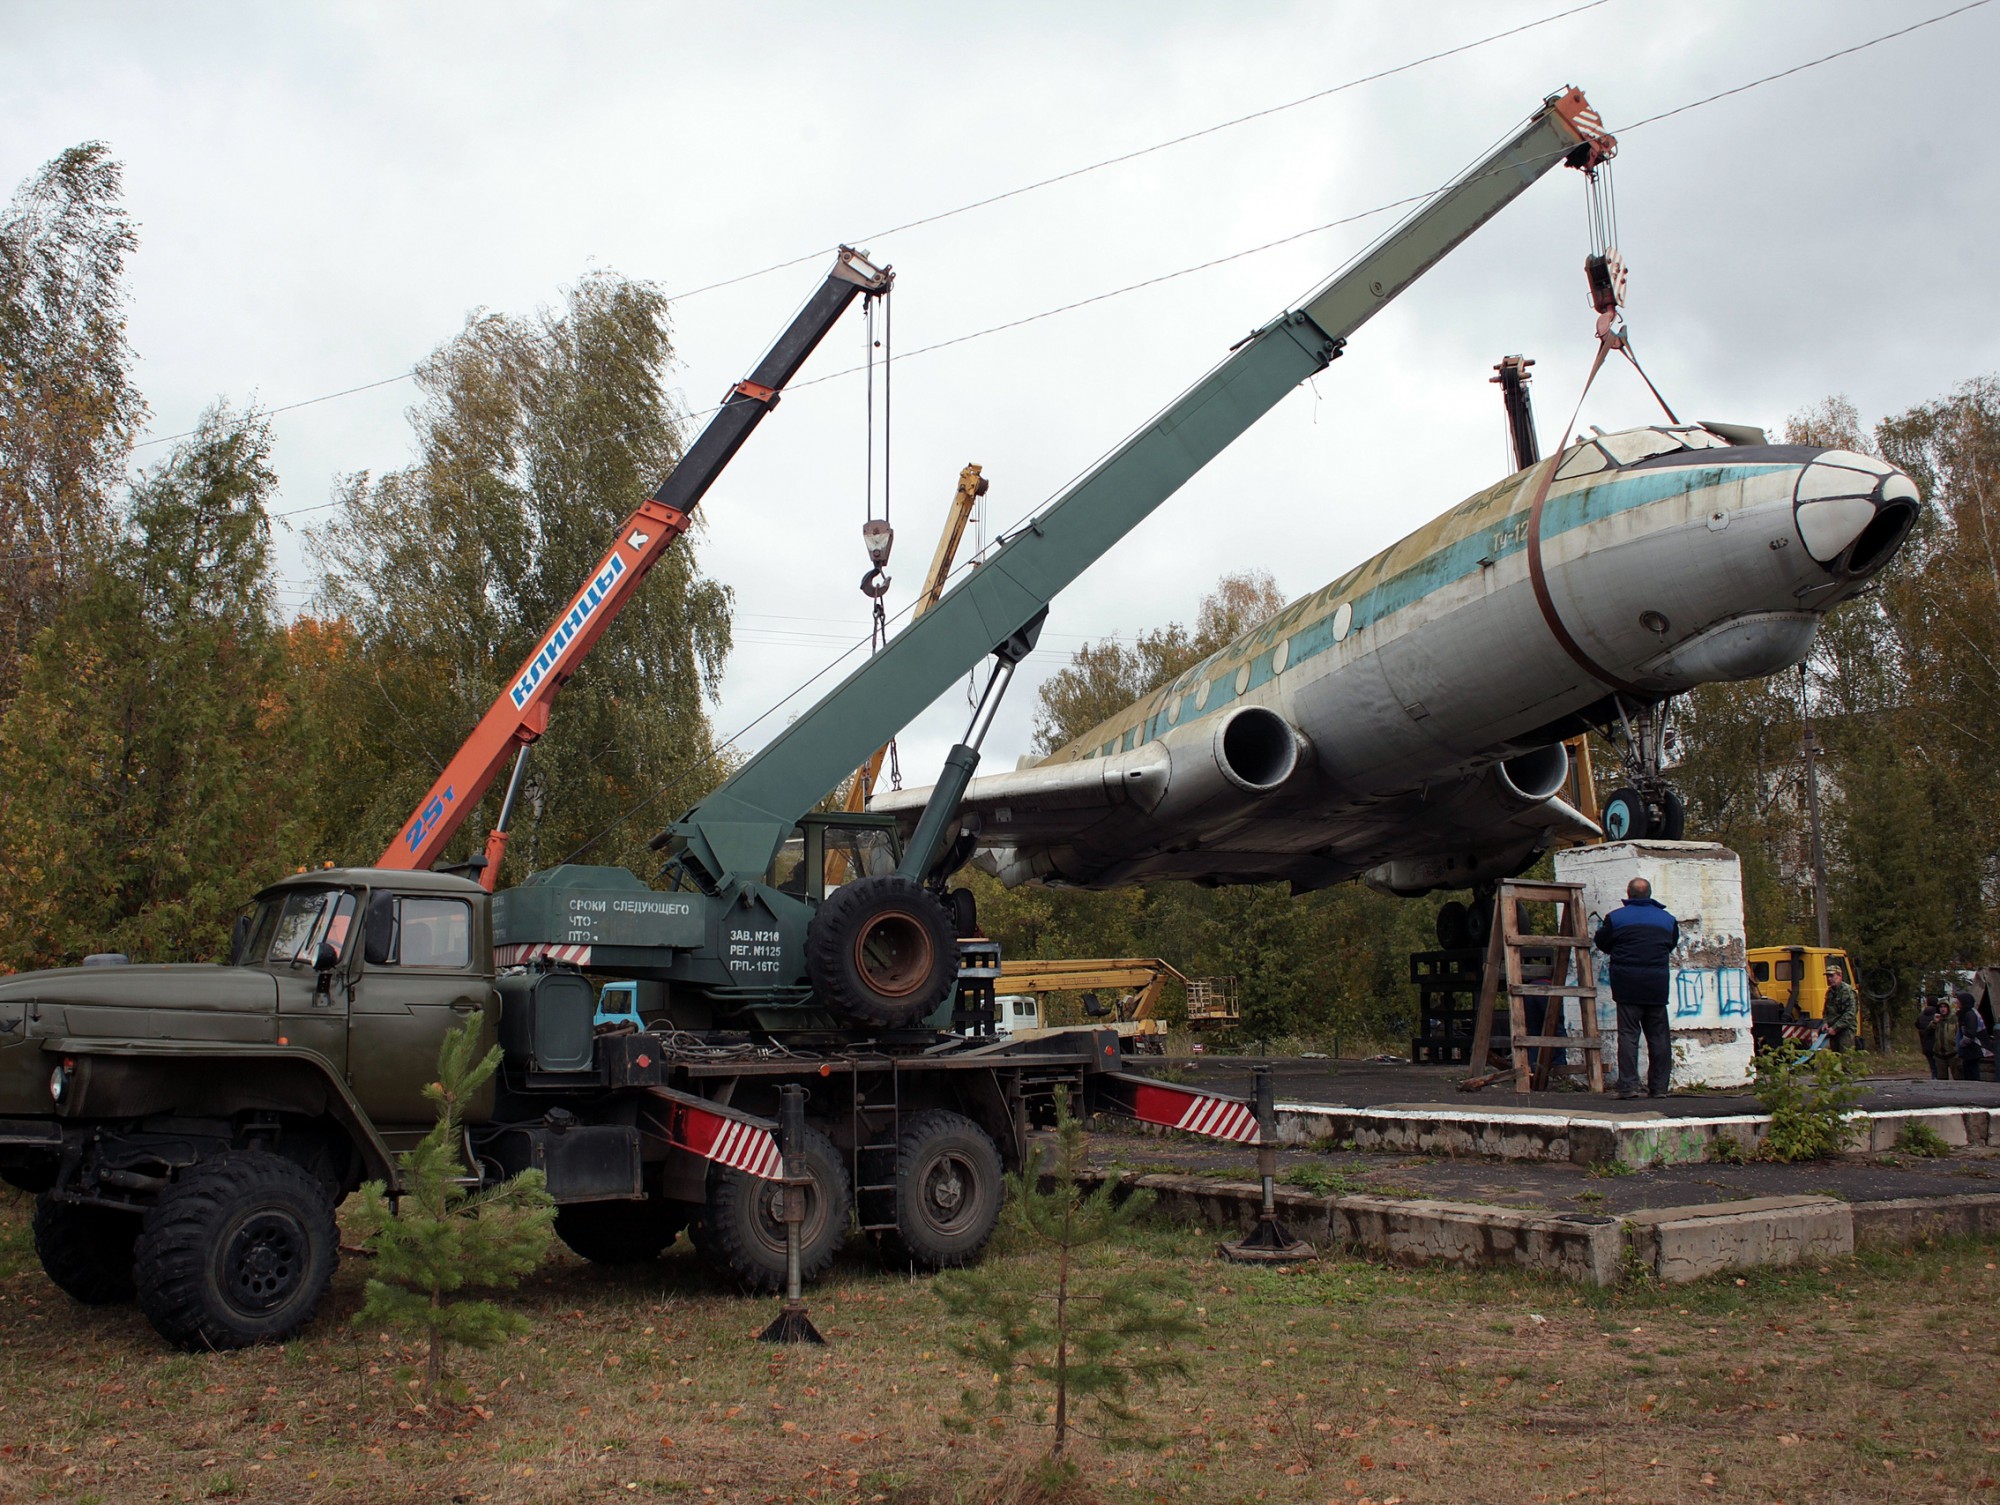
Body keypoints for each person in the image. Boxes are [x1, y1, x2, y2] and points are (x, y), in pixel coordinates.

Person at [1593, 876, 1680, 1100]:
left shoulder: (1616, 918)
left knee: (1629, 1035)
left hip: (1627, 985)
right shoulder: (1667, 919)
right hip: (1656, 986)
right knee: (1659, 1036)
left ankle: (1628, 1087)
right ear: (1649, 894)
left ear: (1629, 895)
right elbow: (1670, 944)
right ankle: (1659, 1088)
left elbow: (1602, 942)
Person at [1822, 964, 1860, 1054]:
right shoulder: (1830, 992)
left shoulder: (1848, 991)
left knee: (1845, 1057)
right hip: (1832, 1030)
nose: (1829, 979)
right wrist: (1825, 1022)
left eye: (1832, 976)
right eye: (1828, 976)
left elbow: (1850, 1013)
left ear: (1839, 976)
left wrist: (1836, 1027)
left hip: (1845, 1029)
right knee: (1836, 1057)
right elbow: (1826, 1010)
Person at [1955, 992, 1992, 1084]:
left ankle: (1975, 1091)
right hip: (1969, 1048)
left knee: (1972, 1072)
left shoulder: (1970, 1014)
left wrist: (1961, 1044)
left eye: (1958, 1001)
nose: (1956, 1003)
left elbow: (1970, 1033)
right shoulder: (1965, 1013)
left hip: (1973, 1048)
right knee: (1968, 1071)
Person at [1916, 993, 1953, 1080]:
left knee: (1933, 1067)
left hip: (1926, 1044)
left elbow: (1917, 1025)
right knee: (1941, 1066)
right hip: (1938, 1046)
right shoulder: (1939, 1016)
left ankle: (1934, 1078)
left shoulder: (1921, 1015)